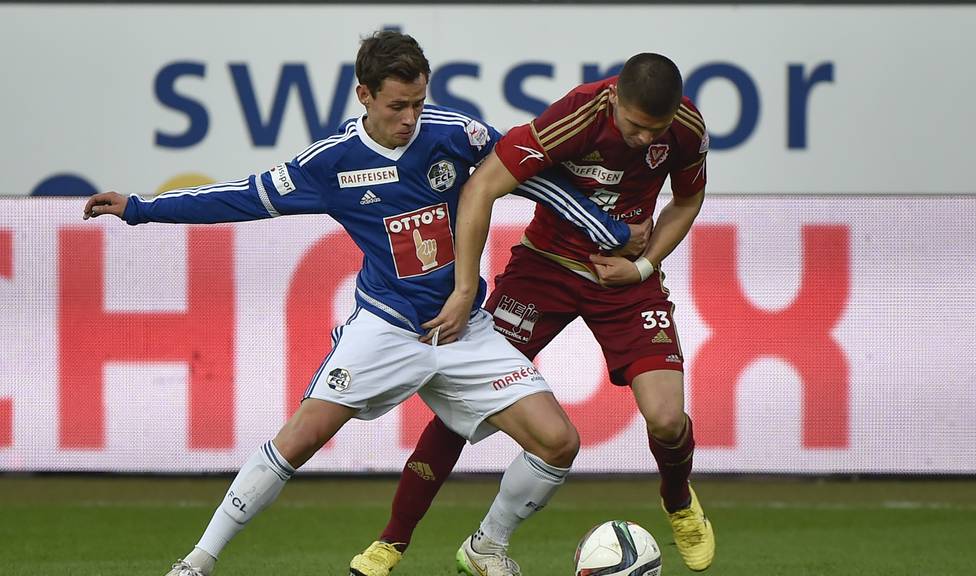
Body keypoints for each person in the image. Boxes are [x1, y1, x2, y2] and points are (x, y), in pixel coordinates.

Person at [82, 31, 648, 576]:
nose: (411, 118)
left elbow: (530, 177)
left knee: (559, 442)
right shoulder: (330, 164)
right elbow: (242, 197)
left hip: (462, 329)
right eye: (399, 105)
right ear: (365, 96)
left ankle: (486, 546)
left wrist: (608, 229)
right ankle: (198, 560)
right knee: (298, 439)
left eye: (419, 102)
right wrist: (140, 207)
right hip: (386, 328)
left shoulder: (457, 135)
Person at [350, 52, 715, 575]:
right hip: (544, 269)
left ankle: (678, 501)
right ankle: (391, 542)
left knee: (665, 417)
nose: (642, 139)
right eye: (634, 126)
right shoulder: (575, 116)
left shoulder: (683, 127)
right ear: (615, 100)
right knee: (462, 403)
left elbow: (686, 201)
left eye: (652, 130)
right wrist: (463, 288)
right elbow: (481, 188)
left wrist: (642, 268)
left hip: (625, 281)